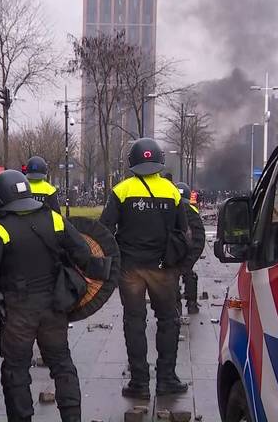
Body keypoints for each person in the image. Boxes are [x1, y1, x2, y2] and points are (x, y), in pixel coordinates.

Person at [0, 170, 103, 422]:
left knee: (16, 370)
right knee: (62, 364)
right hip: (54, 307)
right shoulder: (54, 218)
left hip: (18, 312)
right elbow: (83, 253)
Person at [99, 138, 189, 399]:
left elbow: (105, 228)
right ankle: (166, 379)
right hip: (163, 267)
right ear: (160, 161)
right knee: (168, 321)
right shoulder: (171, 191)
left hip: (130, 268)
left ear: (132, 162)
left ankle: (139, 382)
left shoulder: (121, 190)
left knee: (134, 321)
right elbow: (183, 231)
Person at [175, 182, 206, 315]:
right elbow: (200, 238)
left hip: (171, 254)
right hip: (188, 253)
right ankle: (191, 304)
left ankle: (175, 306)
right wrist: (190, 260)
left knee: (169, 279)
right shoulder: (193, 212)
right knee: (190, 276)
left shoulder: (167, 210)